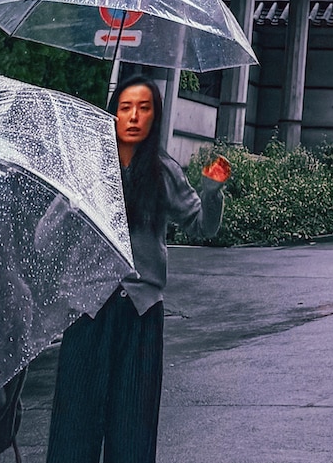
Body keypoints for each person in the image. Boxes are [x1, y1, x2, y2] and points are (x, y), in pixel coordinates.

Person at [45, 80, 229, 463]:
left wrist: (211, 192)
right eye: (125, 107)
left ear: (155, 117)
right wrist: (70, 204)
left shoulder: (163, 172)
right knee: (75, 423)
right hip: (87, 310)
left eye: (144, 108)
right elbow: (44, 239)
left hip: (141, 312)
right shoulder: (86, 170)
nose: (133, 117)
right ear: (112, 114)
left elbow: (203, 227)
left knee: (133, 425)